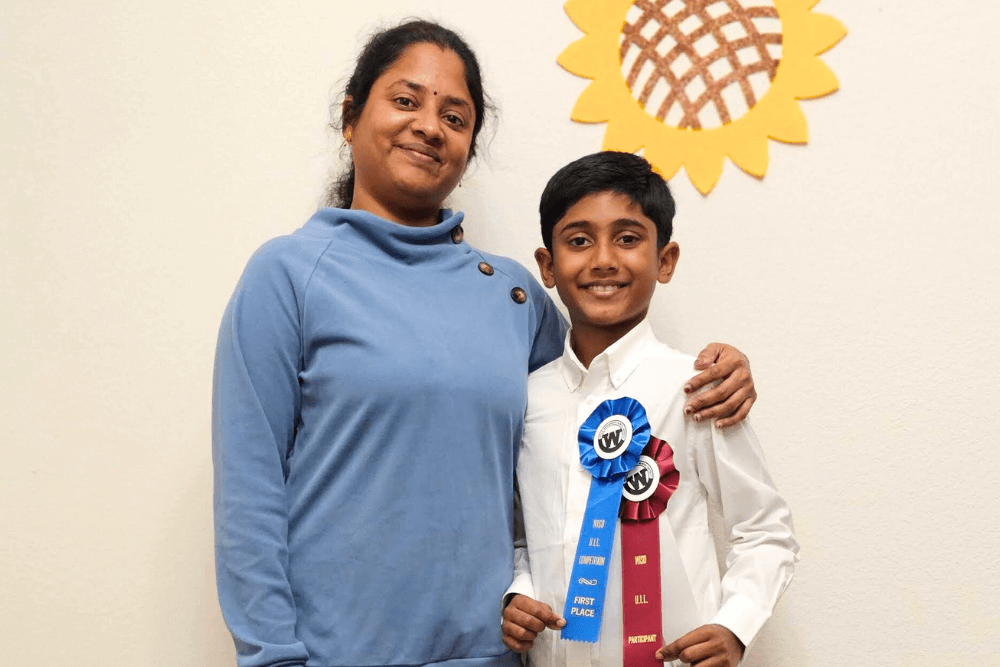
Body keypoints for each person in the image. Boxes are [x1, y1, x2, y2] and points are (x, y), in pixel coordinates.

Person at [213, 20, 759, 667]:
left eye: (455, 115)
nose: (429, 126)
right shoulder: (287, 275)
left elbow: (603, 407)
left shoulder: (514, 295)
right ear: (351, 117)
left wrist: (720, 370)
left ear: (468, 146)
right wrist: (273, 657)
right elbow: (249, 496)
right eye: (406, 100)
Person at [502, 151, 798, 667]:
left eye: (628, 237)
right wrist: (518, 591)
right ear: (547, 267)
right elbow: (523, 533)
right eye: (578, 241)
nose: (602, 260)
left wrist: (735, 623)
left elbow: (765, 529)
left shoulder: (699, 389)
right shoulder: (526, 399)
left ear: (665, 260)